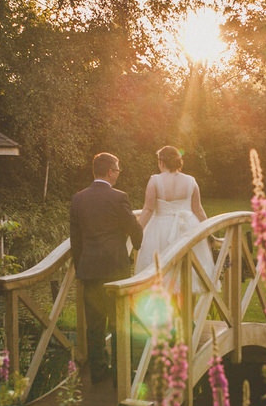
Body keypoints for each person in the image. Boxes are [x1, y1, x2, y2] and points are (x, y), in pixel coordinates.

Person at [70, 152, 143, 384]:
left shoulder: (78, 198)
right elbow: (134, 229)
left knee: (94, 324)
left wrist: (81, 264)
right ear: (110, 171)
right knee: (120, 322)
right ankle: (119, 374)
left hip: (89, 269)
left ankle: (98, 372)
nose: (119, 174)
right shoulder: (118, 197)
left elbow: (75, 239)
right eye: (118, 170)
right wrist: (136, 246)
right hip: (115, 270)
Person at [135, 145, 215, 287]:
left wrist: (137, 230)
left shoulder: (155, 180)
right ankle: (187, 304)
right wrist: (209, 231)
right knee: (190, 268)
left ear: (161, 162)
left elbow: (148, 209)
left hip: (160, 229)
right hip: (188, 227)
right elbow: (198, 209)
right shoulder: (191, 181)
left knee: (161, 269)